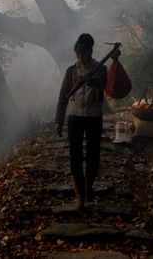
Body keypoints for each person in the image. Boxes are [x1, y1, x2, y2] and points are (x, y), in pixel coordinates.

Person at [55, 33, 108, 210]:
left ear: (90, 52)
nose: (80, 57)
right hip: (75, 117)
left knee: (93, 155)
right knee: (75, 156)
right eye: (78, 53)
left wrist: (88, 80)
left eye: (83, 53)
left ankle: (88, 188)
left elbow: (102, 85)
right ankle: (80, 194)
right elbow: (63, 95)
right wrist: (59, 120)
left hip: (94, 117)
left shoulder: (101, 68)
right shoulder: (71, 71)